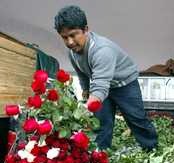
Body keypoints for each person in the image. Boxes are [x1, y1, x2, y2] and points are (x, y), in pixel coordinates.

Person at [54, 5, 157, 150]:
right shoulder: (73, 52)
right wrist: (85, 89)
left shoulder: (102, 50)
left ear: (86, 29)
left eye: (73, 35)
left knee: (136, 118)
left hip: (124, 84)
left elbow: (101, 87)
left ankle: (151, 148)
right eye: (65, 37)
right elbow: (82, 71)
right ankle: (100, 156)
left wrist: (82, 110)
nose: (70, 42)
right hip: (101, 84)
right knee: (101, 122)